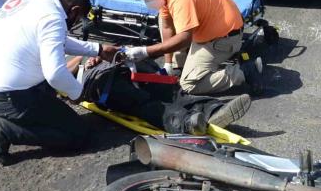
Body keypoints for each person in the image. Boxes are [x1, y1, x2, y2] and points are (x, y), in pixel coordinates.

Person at [0, 0, 121, 165]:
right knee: (78, 135)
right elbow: (55, 74)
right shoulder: (52, 18)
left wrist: (99, 49)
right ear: (74, 11)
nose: (73, 24)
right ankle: (3, 130)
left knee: (53, 104)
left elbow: (55, 39)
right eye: (77, 20)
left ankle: (35, 115)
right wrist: (77, 92)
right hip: (9, 95)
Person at [124, 0, 264, 95]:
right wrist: (168, 64)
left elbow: (184, 38)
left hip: (224, 38)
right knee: (163, 19)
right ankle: (177, 67)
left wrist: (146, 51)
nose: (146, 3)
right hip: (212, 27)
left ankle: (244, 72)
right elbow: (167, 26)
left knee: (189, 84)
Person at [67, 56, 252, 134]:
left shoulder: (55, 35)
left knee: (171, 93)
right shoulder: (44, 55)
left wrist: (94, 53)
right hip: (100, 82)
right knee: (146, 105)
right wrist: (85, 56)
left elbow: (97, 49)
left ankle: (214, 110)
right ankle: (188, 123)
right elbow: (59, 74)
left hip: (122, 67)